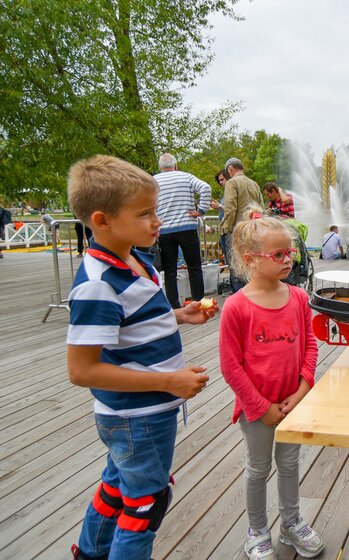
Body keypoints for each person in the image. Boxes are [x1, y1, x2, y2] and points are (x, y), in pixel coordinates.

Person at [65, 155, 217, 560]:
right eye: (145, 213)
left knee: (117, 487)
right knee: (146, 502)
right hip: (137, 417)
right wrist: (169, 381)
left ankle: (91, 552)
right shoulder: (98, 285)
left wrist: (179, 315)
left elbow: (132, 323)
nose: (157, 221)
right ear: (102, 220)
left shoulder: (134, 258)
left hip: (140, 414)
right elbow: (82, 370)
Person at [219, 206, 324, 559]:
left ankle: (291, 523)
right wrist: (260, 407)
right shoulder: (236, 307)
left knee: (291, 464)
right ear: (250, 259)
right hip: (256, 410)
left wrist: (302, 390)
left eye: (290, 253)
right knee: (258, 468)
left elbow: (310, 346)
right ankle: (257, 530)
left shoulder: (298, 297)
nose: (288, 261)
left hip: (293, 402)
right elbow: (231, 367)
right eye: (278, 254)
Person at [154, 153, 212, 308]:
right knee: (194, 267)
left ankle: (174, 306)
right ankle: (199, 302)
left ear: (160, 167)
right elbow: (205, 188)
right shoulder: (186, 177)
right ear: (175, 165)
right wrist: (201, 210)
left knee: (170, 271)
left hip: (165, 230)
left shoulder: (154, 181)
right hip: (187, 227)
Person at [221, 157, 265, 292]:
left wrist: (225, 228)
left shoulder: (232, 183)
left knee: (236, 266)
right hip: (253, 230)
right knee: (252, 264)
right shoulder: (254, 184)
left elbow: (230, 208)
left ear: (230, 169)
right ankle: (255, 293)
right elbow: (261, 207)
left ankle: (239, 298)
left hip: (237, 231)